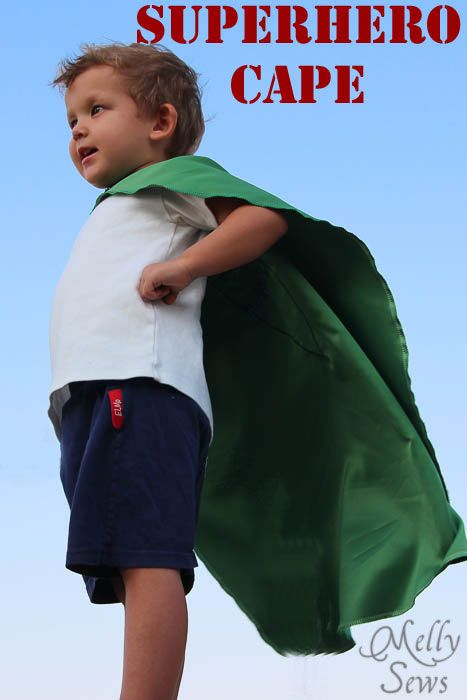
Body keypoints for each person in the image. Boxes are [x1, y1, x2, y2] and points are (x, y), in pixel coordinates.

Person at [49, 41, 288, 700]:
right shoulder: (126, 201)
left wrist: (182, 268)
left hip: (139, 386)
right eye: (72, 119)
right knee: (129, 557)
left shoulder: (173, 177)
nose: (79, 129)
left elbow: (262, 219)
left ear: (158, 124)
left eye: (97, 109)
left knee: (147, 553)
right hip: (99, 396)